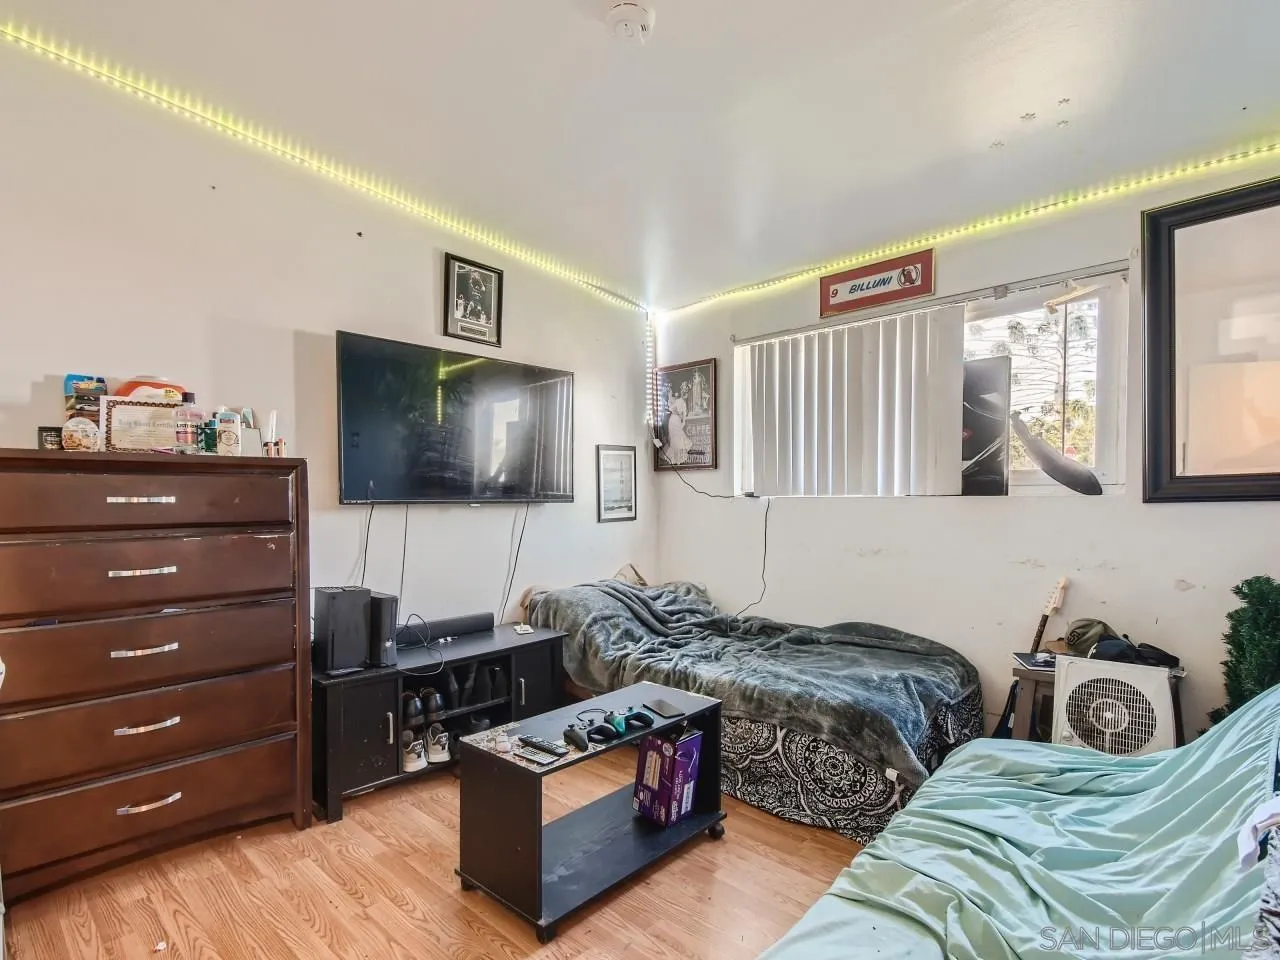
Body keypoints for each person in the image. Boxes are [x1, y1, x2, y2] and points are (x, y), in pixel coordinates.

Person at [663, 385, 692, 465]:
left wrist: (683, 422)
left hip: (677, 421)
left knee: (678, 439)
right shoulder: (677, 400)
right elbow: (671, 408)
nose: (684, 394)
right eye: (683, 392)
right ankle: (675, 459)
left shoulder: (684, 404)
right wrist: (676, 412)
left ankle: (678, 459)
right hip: (673, 420)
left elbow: (684, 415)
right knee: (674, 438)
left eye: (685, 393)